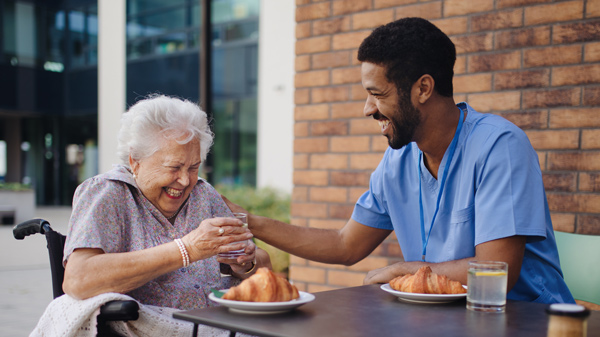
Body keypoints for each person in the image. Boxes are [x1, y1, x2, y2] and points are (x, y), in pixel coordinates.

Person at [224, 17, 574, 304]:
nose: (367, 109)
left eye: (377, 94)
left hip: (527, 323)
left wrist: (407, 271)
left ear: (423, 88)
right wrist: (245, 220)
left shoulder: (500, 146)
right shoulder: (399, 161)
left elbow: (497, 271)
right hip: (444, 323)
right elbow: (345, 245)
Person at [62, 94, 271, 312]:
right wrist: (187, 249)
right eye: (174, 167)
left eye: (193, 167)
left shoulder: (203, 193)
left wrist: (245, 264)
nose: (185, 180)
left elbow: (262, 263)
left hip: (217, 324)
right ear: (136, 161)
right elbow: (78, 280)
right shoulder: (108, 193)